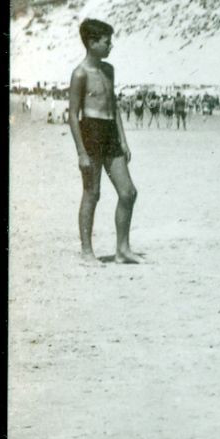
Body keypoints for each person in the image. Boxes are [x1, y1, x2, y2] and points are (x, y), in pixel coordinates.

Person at [67, 19, 139, 265]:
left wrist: (124, 140)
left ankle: (122, 249)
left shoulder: (109, 70)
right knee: (92, 193)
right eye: (107, 42)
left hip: (110, 132)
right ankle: (87, 252)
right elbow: (73, 116)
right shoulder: (80, 74)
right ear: (92, 42)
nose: (111, 46)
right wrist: (81, 152)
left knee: (128, 192)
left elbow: (114, 107)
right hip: (91, 131)